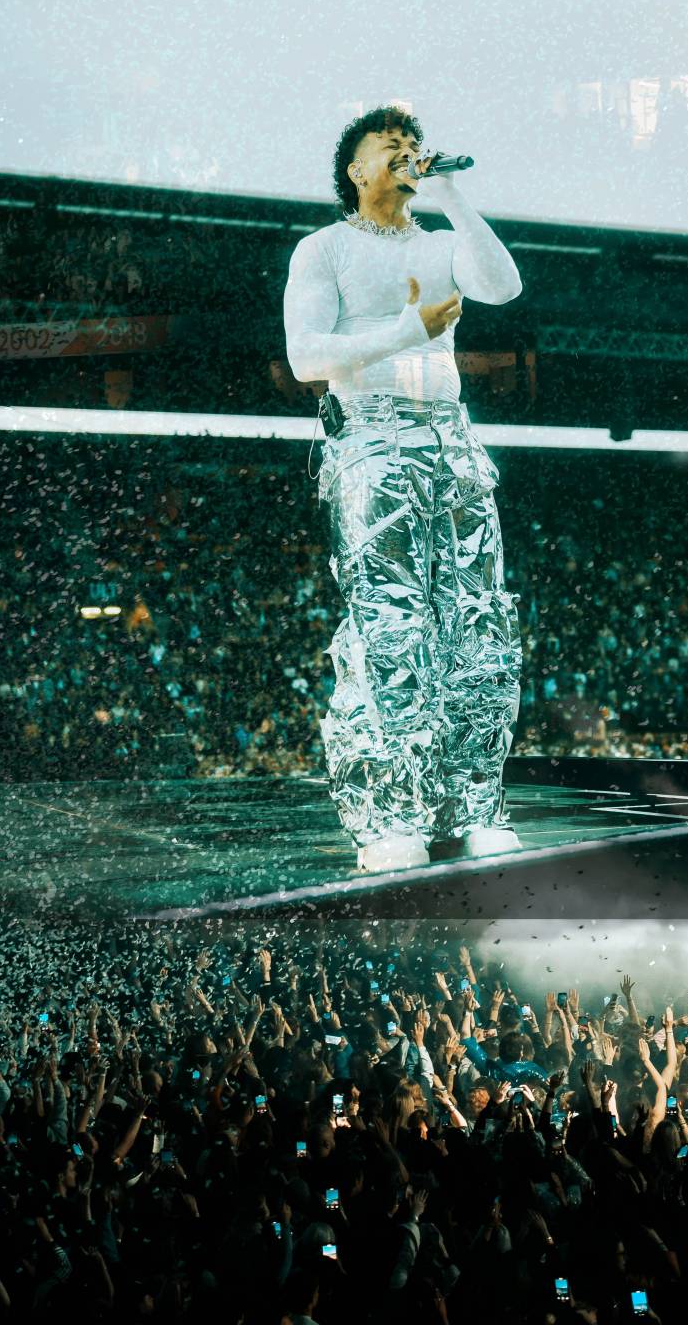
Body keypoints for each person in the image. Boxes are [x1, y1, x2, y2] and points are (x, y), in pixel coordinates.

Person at [283, 105, 524, 872]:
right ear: (355, 170)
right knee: (393, 626)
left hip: (448, 434)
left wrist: (453, 193)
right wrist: (405, 332)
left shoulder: (443, 242)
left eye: (414, 146)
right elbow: (305, 356)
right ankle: (391, 816)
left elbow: (505, 287)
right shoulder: (323, 249)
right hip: (372, 435)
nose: (407, 153)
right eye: (390, 146)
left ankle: (475, 803)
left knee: (478, 621)